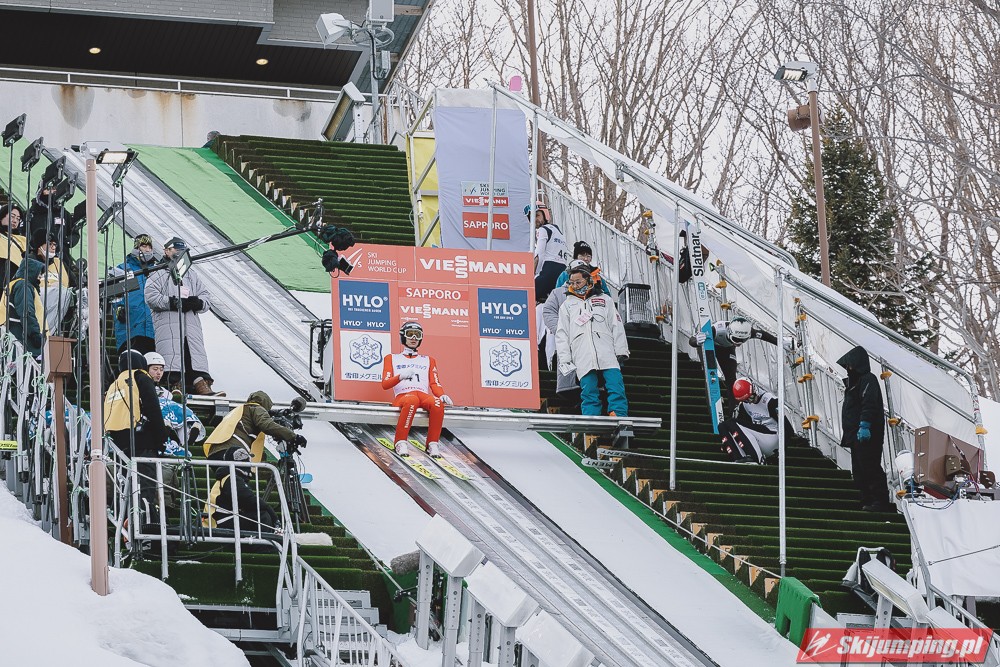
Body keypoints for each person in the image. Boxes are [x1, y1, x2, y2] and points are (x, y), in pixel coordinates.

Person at [202, 390, 302, 531]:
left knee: (230, 487)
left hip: (216, 450)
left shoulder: (242, 410)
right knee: (237, 486)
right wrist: (293, 436)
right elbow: (267, 425)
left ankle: (231, 514)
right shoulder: (256, 408)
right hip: (231, 451)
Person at [144, 237, 223, 396]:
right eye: (176, 249)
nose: (179, 253)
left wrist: (197, 303)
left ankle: (200, 383)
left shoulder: (191, 275)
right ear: (166, 251)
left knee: (193, 355)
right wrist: (173, 302)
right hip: (169, 324)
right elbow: (151, 296)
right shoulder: (158, 273)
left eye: (182, 250)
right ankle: (174, 385)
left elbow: (206, 296)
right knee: (173, 356)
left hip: (191, 326)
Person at [555, 264, 630, 417]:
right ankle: (590, 418)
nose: (575, 286)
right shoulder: (567, 305)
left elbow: (616, 325)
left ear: (588, 280)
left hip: (606, 349)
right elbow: (562, 334)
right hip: (581, 353)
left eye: (578, 282)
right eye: (572, 283)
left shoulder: (605, 300)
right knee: (588, 389)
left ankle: (618, 413)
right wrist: (565, 359)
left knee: (615, 384)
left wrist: (621, 350)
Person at [103, 349, 169, 522]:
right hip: (143, 441)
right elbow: (153, 408)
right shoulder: (140, 377)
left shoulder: (114, 384)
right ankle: (143, 521)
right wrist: (162, 438)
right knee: (145, 484)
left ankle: (124, 516)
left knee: (126, 483)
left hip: (119, 443)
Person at [381, 322, 454, 457]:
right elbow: (385, 384)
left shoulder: (428, 360)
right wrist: (400, 376)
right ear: (403, 336)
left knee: (437, 403)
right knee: (412, 400)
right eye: (410, 334)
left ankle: (432, 444)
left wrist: (441, 395)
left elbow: (435, 383)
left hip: (422, 395)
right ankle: (400, 442)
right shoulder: (391, 358)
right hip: (403, 396)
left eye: (417, 335)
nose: (414, 338)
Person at [837, 345, 890, 512]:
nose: (848, 369)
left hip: (867, 434)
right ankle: (867, 499)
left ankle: (880, 501)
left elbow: (869, 403)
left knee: (870, 467)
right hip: (855, 434)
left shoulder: (868, 379)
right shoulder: (856, 382)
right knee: (859, 470)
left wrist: (865, 425)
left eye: (850, 365)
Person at [690, 316, 785, 406]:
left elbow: (764, 335)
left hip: (726, 348)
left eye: (743, 340)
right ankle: (712, 404)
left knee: (731, 379)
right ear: (729, 332)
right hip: (709, 344)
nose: (739, 343)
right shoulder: (716, 329)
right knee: (710, 374)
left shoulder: (748, 331)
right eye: (735, 339)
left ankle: (734, 410)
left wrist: (781, 343)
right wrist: (697, 341)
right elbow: (692, 340)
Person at [144, 351, 205, 456]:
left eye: (161, 370)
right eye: (155, 369)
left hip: (168, 417)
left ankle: (187, 436)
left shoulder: (166, 392)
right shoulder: (140, 387)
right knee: (165, 408)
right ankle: (166, 434)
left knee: (181, 411)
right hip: (151, 415)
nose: (159, 373)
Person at [719, 377, 791, 464]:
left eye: (751, 397)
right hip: (759, 438)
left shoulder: (770, 401)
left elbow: (788, 428)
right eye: (746, 400)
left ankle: (756, 458)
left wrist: (782, 451)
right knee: (722, 426)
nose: (750, 402)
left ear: (754, 389)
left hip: (773, 436)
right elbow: (740, 429)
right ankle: (738, 458)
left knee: (732, 422)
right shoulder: (745, 405)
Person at [112, 234, 158, 355]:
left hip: (154, 331)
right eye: (144, 246)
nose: (147, 249)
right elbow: (114, 295)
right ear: (137, 247)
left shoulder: (157, 270)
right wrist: (119, 308)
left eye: (149, 247)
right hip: (131, 327)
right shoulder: (122, 269)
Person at [3, 257, 45, 356]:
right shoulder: (23, 286)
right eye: (39, 272)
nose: (40, 276)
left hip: (17, 341)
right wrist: (35, 334)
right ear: (31, 271)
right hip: (25, 343)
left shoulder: (16, 284)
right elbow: (26, 311)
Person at [528, 201, 569, 302]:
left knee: (527, 297)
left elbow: (539, 254)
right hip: (561, 270)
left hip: (548, 269)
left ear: (545, 214)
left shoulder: (543, 229)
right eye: (531, 217)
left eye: (537, 215)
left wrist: (535, 274)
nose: (534, 219)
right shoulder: (557, 230)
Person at [0, 203, 27, 290]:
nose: (15, 221)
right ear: (2, 216)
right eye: (12, 216)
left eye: (18, 219)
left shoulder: (23, 240)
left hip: (16, 280)